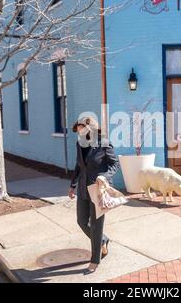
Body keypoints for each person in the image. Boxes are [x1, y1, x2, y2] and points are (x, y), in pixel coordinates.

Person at [68, 116, 119, 275]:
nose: (79, 132)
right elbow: (79, 164)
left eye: (81, 129)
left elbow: (114, 164)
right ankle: (103, 240)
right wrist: (73, 184)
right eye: (78, 130)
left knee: (97, 226)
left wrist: (105, 176)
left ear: (90, 128)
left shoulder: (103, 143)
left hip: (98, 189)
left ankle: (95, 260)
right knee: (81, 221)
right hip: (83, 188)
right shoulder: (79, 144)